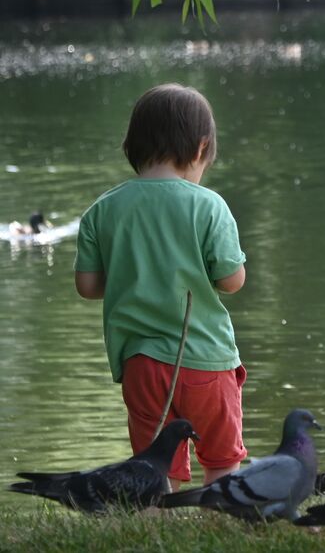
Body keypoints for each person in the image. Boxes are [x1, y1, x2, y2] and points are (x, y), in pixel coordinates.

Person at [73, 84, 249, 489]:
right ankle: (218, 522)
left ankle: (155, 525)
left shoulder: (102, 210)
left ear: (132, 145)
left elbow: (88, 285)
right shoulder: (209, 206)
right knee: (221, 459)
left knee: (153, 468)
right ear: (201, 147)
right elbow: (231, 281)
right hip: (206, 359)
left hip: (142, 363)